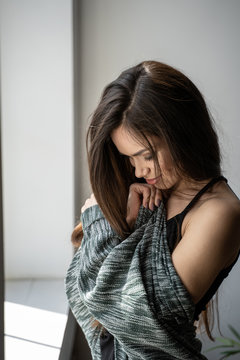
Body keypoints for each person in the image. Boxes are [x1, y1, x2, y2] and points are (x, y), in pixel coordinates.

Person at [65, 61, 240, 360]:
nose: (139, 169)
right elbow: (79, 290)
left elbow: (136, 317)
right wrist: (124, 221)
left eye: (146, 155)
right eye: (129, 158)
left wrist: (101, 223)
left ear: (182, 133)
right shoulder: (148, 192)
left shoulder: (218, 213)